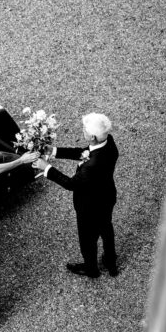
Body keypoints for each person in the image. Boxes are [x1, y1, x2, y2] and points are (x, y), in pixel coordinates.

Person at [33, 112, 119, 277]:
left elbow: (70, 184)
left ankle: (91, 269)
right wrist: (54, 151)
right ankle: (110, 261)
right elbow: (85, 152)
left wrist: (46, 168)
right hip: (106, 197)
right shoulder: (108, 142)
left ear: (92, 137)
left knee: (87, 239)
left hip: (89, 207)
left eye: (85, 130)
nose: (83, 131)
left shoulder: (91, 166)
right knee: (106, 228)